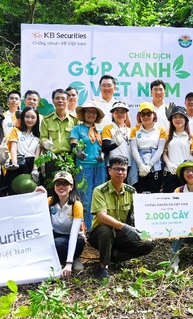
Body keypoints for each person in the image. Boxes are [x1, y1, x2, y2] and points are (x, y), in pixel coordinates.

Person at [89, 156, 155, 280]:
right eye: (117, 169)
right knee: (106, 229)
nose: (120, 172)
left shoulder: (131, 191)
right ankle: (103, 266)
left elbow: (141, 214)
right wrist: (126, 228)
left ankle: (115, 255)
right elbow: (102, 217)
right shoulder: (99, 191)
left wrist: (153, 225)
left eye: (123, 169)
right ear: (109, 170)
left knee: (148, 244)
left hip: (120, 234)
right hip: (99, 235)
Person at [70, 100, 106, 231]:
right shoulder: (77, 129)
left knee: (100, 199)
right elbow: (73, 145)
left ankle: (99, 228)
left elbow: (102, 148)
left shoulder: (100, 130)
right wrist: (77, 152)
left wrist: (103, 155)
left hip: (99, 168)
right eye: (88, 112)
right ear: (83, 113)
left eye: (94, 112)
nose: (91, 114)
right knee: (85, 200)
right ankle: (87, 229)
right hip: (84, 168)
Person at [48, 171, 85, 276]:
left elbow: (73, 234)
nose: (61, 186)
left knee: (57, 243)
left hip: (73, 237)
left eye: (65, 183)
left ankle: (73, 258)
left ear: (71, 187)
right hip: (57, 234)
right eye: (58, 183)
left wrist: (69, 263)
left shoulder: (76, 205)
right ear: (54, 187)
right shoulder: (49, 202)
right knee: (53, 243)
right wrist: (36, 193)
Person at [2, 106, 41, 195]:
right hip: (18, 162)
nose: (29, 120)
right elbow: (13, 148)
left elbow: (37, 153)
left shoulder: (39, 135)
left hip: (31, 164)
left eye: (33, 117)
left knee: (30, 191)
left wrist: (35, 169)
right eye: (27, 117)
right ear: (23, 117)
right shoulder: (15, 131)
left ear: (37, 119)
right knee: (14, 191)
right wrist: (15, 164)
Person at [129, 102, 167, 193]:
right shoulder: (135, 130)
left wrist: (149, 165)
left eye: (149, 114)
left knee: (154, 194)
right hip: (139, 166)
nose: (146, 117)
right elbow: (134, 149)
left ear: (154, 115)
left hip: (155, 166)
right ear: (139, 116)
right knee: (140, 193)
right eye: (143, 114)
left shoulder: (160, 130)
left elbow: (160, 149)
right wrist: (140, 165)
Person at [162, 106, 193, 193]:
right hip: (170, 173)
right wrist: (169, 164)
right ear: (171, 120)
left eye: (181, 117)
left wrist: (187, 165)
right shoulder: (168, 137)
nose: (178, 119)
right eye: (175, 117)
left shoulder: (192, 137)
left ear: (186, 119)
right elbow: (164, 153)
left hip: (186, 174)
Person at [101, 101, 133, 182]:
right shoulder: (108, 128)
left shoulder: (130, 130)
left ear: (126, 114)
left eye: (122, 112)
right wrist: (116, 144)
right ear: (112, 114)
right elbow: (105, 146)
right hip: (114, 165)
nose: (120, 114)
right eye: (117, 112)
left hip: (128, 165)